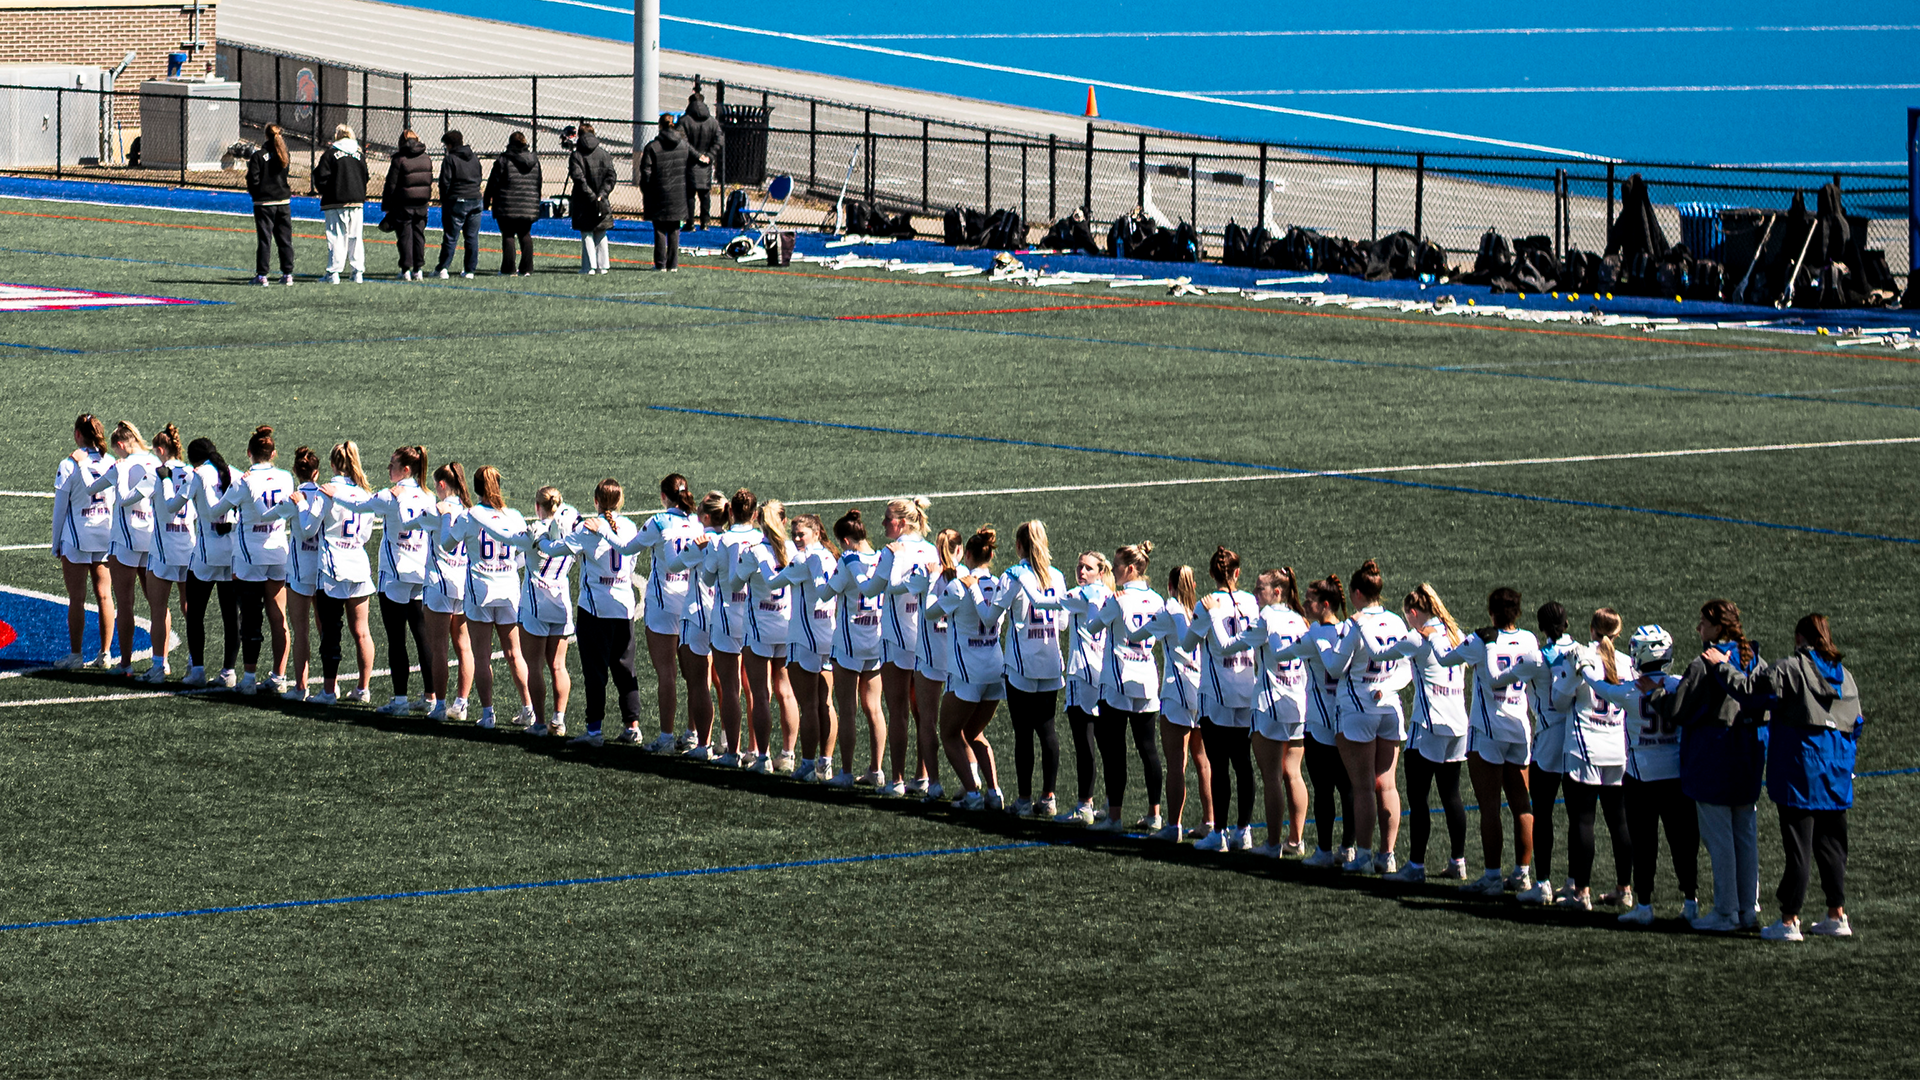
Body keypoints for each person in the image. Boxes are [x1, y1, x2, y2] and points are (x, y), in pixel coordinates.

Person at [1646, 599, 1768, 932]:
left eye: (1703, 622)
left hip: (1713, 757)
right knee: (1744, 835)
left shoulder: (1704, 663)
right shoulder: (1753, 657)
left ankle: (1726, 912)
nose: (1698, 628)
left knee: (1719, 840)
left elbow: (1679, 709)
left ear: (1718, 627)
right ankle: (1748, 909)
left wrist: (1654, 695)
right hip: (1748, 757)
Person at [1752, 614, 1859, 942]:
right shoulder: (1845, 676)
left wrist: (1739, 662)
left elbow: (1754, 692)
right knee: (1832, 847)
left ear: (1800, 637)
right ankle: (1836, 914)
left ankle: (1789, 920)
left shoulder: (1790, 667)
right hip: (1837, 771)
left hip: (1800, 772)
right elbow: (1857, 722)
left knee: (1798, 849)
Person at [1584, 625, 1700, 926]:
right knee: (1683, 842)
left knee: (1645, 843)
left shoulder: (1628, 690)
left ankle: (1645, 904)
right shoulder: (1677, 685)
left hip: (1641, 778)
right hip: (1677, 777)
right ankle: (1691, 901)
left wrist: (1583, 666)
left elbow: (1601, 688)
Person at [1431, 586, 1542, 897]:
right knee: (1522, 803)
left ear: (1491, 612)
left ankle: (1492, 875)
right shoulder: (1529, 640)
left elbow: (1444, 659)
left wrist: (1433, 633)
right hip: (1521, 728)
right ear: (1518, 612)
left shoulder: (1482, 640)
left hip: (1488, 731)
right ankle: (1522, 873)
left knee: (1490, 806)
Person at [321, 447, 437, 715]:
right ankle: (431, 697)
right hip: (420, 574)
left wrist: (335, 494)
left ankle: (399, 701)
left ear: (406, 469)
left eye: (393, 464)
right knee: (422, 636)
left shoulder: (390, 495)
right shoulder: (428, 497)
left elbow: (360, 506)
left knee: (396, 639)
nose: (388, 468)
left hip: (395, 575)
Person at [1372, 584, 1470, 883]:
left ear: (1413, 613)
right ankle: (1458, 861)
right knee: (1452, 795)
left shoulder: (1417, 637)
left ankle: (1415, 866)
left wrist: (1360, 625)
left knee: (1418, 798)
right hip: (1458, 724)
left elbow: (1379, 653)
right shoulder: (1457, 634)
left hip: (1428, 726)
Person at [1326, 559, 1413, 874]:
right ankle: (1386, 856)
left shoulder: (1355, 623)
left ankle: (1362, 855)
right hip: (1390, 707)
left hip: (1357, 707)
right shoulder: (1396, 622)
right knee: (1387, 785)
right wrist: (1385, 687)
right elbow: (1407, 668)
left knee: (1362, 786)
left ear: (1356, 592)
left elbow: (1336, 668)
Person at [1549, 609, 1636, 911]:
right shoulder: (1628, 662)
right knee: (1619, 822)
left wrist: (1572, 676)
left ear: (1591, 629)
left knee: (1582, 821)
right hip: (1619, 749)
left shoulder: (1581, 657)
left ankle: (1581, 893)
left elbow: (1559, 703)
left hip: (1585, 748)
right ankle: (1625, 889)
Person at [611, 475, 704, 751]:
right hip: (691, 606)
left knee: (667, 674)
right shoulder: (698, 523)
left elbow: (628, 549)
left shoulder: (658, 522)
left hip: (663, 604)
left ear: (664, 496)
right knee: (696, 677)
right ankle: (693, 733)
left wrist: (604, 532)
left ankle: (665, 737)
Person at [441, 466, 534, 730]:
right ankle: (529, 709)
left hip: (480, 590)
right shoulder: (514, 516)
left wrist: (448, 517)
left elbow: (447, 544)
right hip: (509, 589)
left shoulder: (470, 515)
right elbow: (523, 550)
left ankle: (488, 713)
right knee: (515, 653)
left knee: (481, 656)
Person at [207, 425, 296, 696]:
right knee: (278, 617)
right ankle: (279, 677)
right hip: (279, 552)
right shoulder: (286, 477)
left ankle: (248, 678)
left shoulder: (244, 482)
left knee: (251, 617)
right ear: (274, 453)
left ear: (249, 453)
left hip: (250, 556)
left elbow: (216, 511)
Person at [1274, 574, 1355, 868]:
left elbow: (1281, 654)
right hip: (1347, 720)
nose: (1305, 605)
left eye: (1309, 601)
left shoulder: (1315, 636)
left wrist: (1273, 635)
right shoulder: (1348, 631)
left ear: (1324, 605)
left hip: (1320, 723)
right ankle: (1348, 848)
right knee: (1348, 787)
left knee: (1324, 789)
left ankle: (1323, 850)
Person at [859, 498, 938, 796]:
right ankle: (923, 777)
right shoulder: (931, 550)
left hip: (896, 639)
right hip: (926, 639)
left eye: (887, 518)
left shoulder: (891, 552)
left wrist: (855, 567)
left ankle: (896, 780)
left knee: (899, 712)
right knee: (923, 714)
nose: (883, 523)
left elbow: (872, 590)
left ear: (902, 522)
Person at [1185, 546, 1262, 852]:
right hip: (1247, 690)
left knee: (1219, 765)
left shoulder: (1207, 604)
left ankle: (1219, 832)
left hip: (1216, 696)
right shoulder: (1251, 602)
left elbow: (1188, 642)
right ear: (1237, 573)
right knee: (1244, 763)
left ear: (1212, 573)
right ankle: (1244, 830)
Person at [1086, 541, 1166, 831]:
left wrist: (1104, 602)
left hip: (1118, 681)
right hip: (1146, 680)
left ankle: (1115, 818)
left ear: (1131, 569)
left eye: (1117, 566)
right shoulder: (1158, 600)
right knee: (1149, 749)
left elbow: (1092, 627)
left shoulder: (1118, 600)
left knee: (1114, 751)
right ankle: (1155, 814)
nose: (1112, 571)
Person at [930, 525, 1009, 811]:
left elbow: (930, 613)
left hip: (967, 673)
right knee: (974, 732)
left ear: (970, 555)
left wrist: (930, 581)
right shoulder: (1000, 582)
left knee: (950, 733)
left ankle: (973, 794)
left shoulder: (958, 585)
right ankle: (995, 793)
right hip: (995, 670)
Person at [997, 520, 1067, 817]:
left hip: (1022, 663)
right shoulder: (1058, 576)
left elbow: (994, 614)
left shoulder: (1013, 575)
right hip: (1051, 661)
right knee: (1048, 730)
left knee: (1023, 733)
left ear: (1018, 546)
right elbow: (1063, 622)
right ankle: (1048, 797)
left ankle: (1024, 800)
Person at [566, 480, 642, 747]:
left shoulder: (587, 529)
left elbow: (558, 551)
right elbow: (631, 560)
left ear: (596, 501)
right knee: (625, 669)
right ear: (620, 501)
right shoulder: (631, 527)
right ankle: (632, 725)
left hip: (595, 609)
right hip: (624, 607)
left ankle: (594, 730)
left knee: (595, 672)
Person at [1239, 567, 1309, 856]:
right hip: (1298, 704)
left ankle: (1271, 844)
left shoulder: (1265, 619)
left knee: (1271, 777)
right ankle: (1296, 840)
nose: (1255, 594)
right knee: (1293, 773)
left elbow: (1236, 646)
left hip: (1269, 707)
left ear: (1277, 592)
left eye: (1260, 589)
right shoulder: (1300, 620)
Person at [1141, 565, 1212, 842]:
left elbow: (1139, 636)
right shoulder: (1198, 610)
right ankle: (1209, 821)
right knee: (1203, 761)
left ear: (1170, 585)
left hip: (1177, 692)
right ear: (1192, 587)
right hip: (1201, 689)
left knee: (1176, 763)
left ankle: (1173, 826)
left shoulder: (1169, 608)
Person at [84, 421, 159, 677]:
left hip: (126, 541)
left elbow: (92, 488)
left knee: (126, 604)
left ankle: (125, 664)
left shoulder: (122, 466)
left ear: (120, 445)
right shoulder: (158, 463)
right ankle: (162, 663)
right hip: (154, 540)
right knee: (158, 604)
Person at [1514, 602, 1578, 903]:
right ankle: (1578, 884)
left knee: (1543, 813)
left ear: (1540, 626)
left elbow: (1501, 678)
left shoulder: (1537, 658)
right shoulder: (1581, 651)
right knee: (1581, 816)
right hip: (1578, 737)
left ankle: (1542, 884)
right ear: (1566, 623)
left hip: (1549, 738)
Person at [306, 442, 379, 704]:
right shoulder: (365, 494)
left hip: (333, 568)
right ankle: (363, 688)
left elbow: (309, 529)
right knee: (362, 631)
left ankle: (328, 691)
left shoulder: (327, 491)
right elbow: (367, 534)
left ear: (333, 464)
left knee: (331, 630)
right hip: (359, 566)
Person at [771, 512, 840, 780]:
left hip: (805, 638)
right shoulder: (831, 556)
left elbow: (772, 582)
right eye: (795, 534)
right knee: (826, 704)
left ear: (817, 533)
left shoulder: (803, 559)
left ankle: (808, 765)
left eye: (803, 534)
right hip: (828, 636)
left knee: (809, 706)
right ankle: (826, 763)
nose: (798, 539)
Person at [735, 500, 801, 772]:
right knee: (786, 692)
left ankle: (763, 757)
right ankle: (787, 754)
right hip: (787, 626)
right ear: (784, 522)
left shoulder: (754, 551)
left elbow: (734, 582)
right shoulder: (794, 548)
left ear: (759, 521)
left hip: (760, 628)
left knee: (761, 693)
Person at [50, 414, 116, 670]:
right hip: (104, 535)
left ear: (78, 434)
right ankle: (106, 654)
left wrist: (56, 543)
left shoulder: (69, 464)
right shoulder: (110, 461)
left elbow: (60, 509)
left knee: (76, 598)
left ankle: (76, 655)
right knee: (105, 596)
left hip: (77, 537)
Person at [824, 509, 885, 787]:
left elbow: (827, 593)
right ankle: (877, 769)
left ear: (846, 540)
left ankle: (846, 773)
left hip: (849, 643)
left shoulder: (849, 561)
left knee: (847, 709)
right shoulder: (883, 557)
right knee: (874, 708)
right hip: (876, 640)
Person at [1053, 550, 1114, 824]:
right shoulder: (1111, 595)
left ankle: (1084, 805)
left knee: (1084, 742)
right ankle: (1112, 802)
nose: (1081, 572)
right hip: (1105, 676)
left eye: (1088, 568)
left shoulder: (1080, 596)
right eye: (1079, 567)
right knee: (1107, 743)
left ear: (1100, 572)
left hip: (1082, 675)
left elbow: (1049, 603)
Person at [670, 491, 731, 758]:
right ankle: (730, 744)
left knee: (697, 684)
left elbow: (673, 564)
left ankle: (703, 744)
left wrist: (690, 546)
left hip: (697, 616)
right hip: (726, 617)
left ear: (705, 516)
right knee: (730, 686)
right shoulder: (732, 542)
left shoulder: (701, 542)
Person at [705, 489, 764, 764]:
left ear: (730, 512)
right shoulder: (764, 539)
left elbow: (707, 578)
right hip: (755, 617)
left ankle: (732, 750)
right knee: (756, 688)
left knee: (730, 687)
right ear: (754, 513)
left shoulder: (722, 540)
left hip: (727, 616)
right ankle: (757, 749)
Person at [180, 436, 242, 686]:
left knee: (195, 614)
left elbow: (176, 505)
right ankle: (229, 672)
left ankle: (197, 670)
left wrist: (164, 480)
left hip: (206, 555)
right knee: (231, 616)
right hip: (232, 554)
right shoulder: (235, 473)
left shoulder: (199, 475)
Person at [142, 425, 195, 684]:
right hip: (189, 546)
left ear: (161, 450)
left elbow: (135, 496)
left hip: (164, 549)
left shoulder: (157, 473)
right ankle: (195, 663)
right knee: (191, 609)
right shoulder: (193, 473)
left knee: (158, 609)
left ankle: (158, 665)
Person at [423, 462, 476, 721]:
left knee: (439, 648)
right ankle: (462, 704)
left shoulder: (438, 510)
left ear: (442, 485)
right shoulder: (469, 511)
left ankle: (440, 706)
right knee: (464, 647)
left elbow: (412, 522)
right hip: (464, 586)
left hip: (439, 584)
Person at [277, 447, 324, 701]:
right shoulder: (326, 496)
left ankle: (301, 687)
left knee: (301, 631)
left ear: (296, 471)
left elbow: (268, 515)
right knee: (326, 629)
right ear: (316, 472)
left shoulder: (293, 498)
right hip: (324, 569)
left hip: (298, 571)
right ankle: (331, 684)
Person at [312, 124, 369, 284]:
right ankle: (357, 272)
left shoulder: (330, 154)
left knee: (336, 237)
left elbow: (321, 176)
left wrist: (328, 191)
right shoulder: (359, 154)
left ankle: (334, 273)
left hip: (335, 202)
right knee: (355, 237)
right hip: (357, 202)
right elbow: (366, 176)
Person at [485, 131, 543, 277]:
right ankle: (527, 268)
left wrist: (486, 200)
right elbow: (538, 183)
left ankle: (508, 269)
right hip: (529, 203)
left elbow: (493, 182)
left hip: (507, 204)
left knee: (508, 235)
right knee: (525, 235)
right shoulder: (534, 161)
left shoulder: (503, 160)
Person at [639, 113, 692, 271]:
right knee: (675, 229)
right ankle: (673, 264)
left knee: (660, 229)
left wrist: (647, 190)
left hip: (658, 192)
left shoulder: (652, 147)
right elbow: (689, 167)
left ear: (660, 126)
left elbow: (646, 173)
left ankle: (660, 264)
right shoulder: (683, 145)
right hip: (679, 193)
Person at [381, 130, 434, 280]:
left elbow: (391, 184)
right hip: (422, 203)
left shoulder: (399, 159)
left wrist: (387, 206)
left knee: (405, 237)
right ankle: (418, 269)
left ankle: (405, 269)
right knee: (419, 236)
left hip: (403, 204)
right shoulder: (426, 158)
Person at [246, 124, 295, 286]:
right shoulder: (284, 155)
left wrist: (257, 194)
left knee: (265, 240)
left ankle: (262, 276)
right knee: (285, 239)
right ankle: (288, 274)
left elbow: (252, 179)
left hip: (265, 203)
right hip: (283, 202)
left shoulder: (258, 156)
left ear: (266, 136)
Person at [433, 130, 484, 279]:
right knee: (472, 237)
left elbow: (445, 182)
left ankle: (443, 268)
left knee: (450, 236)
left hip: (457, 200)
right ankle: (469, 270)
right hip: (475, 199)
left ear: (450, 145)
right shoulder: (474, 158)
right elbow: (479, 177)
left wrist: (445, 199)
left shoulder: (450, 159)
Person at [568, 122, 618, 275]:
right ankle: (603, 266)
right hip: (601, 200)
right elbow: (611, 176)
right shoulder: (604, 153)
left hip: (583, 200)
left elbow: (579, 179)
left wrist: (591, 196)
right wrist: (601, 195)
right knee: (601, 231)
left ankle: (588, 266)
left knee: (586, 233)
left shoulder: (576, 156)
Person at [677, 91, 724, 230]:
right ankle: (705, 222)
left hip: (690, 162)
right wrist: (709, 155)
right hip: (706, 163)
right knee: (705, 194)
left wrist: (696, 155)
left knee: (689, 194)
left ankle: (690, 222)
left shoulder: (684, 121)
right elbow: (719, 139)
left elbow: (683, 141)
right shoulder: (712, 122)